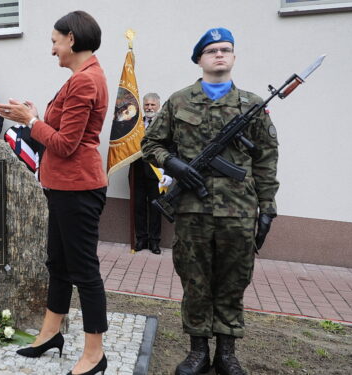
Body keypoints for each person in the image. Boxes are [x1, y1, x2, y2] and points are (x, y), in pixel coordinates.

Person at [142, 28, 279, 375]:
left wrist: (267, 209)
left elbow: (265, 160)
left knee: (234, 280)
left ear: (233, 57)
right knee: (195, 280)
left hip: (239, 212)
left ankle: (227, 353)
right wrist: (174, 164)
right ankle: (198, 352)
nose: (220, 55)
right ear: (199, 59)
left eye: (226, 49)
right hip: (192, 210)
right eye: (212, 50)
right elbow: (150, 144)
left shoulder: (252, 105)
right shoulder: (178, 101)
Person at [0, 11, 109, 375]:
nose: (52, 50)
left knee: (84, 271)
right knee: (58, 265)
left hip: (78, 189)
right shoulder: (80, 77)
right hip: (63, 187)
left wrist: (30, 123)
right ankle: (49, 335)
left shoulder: (86, 81)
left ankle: (95, 353)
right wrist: (33, 114)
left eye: (55, 41)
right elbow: (60, 130)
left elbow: (64, 144)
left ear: (71, 40)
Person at [130, 92, 163, 254]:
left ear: (159, 106)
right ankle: (141, 238)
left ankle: (154, 241)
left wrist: (167, 172)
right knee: (139, 206)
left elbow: (170, 146)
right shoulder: (136, 125)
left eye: (152, 105)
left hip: (156, 172)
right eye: (147, 105)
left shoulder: (164, 124)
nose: (149, 108)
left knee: (155, 207)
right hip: (137, 171)